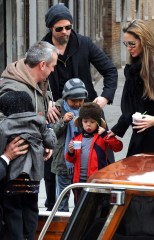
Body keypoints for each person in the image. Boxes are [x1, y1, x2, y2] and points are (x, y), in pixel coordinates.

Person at [107, 19, 154, 237]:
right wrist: (117, 130)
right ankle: (137, 230)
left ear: (144, 40)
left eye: (132, 44)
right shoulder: (133, 66)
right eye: (126, 45)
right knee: (136, 184)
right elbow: (131, 106)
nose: (129, 49)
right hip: (141, 133)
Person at [42, 3, 118, 209]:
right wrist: (46, 101)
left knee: (100, 159)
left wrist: (104, 98)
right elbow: (33, 80)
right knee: (54, 165)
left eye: (68, 27)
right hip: (57, 115)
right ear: (51, 28)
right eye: (59, 28)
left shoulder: (84, 44)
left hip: (88, 114)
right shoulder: (42, 49)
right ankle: (55, 208)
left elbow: (110, 70)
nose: (65, 32)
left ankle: (99, 207)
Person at [0, 91, 57, 240]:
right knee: (31, 208)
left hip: (12, 178)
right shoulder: (39, 121)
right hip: (33, 179)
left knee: (13, 210)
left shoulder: (4, 125)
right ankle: (29, 236)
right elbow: (51, 143)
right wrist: (49, 129)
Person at [0, 40, 59, 160]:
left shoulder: (38, 82)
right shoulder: (15, 90)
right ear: (42, 65)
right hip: (18, 169)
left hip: (32, 161)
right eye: (52, 66)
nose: (53, 70)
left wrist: (44, 141)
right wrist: (6, 157)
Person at [66, 102, 123, 203]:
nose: (88, 124)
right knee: (79, 208)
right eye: (85, 121)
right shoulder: (76, 138)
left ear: (98, 123)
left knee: (96, 207)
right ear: (81, 122)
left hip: (97, 181)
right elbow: (70, 159)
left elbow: (118, 147)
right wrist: (70, 152)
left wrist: (105, 134)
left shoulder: (102, 137)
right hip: (79, 182)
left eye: (92, 122)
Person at [51, 78, 88, 212]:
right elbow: (51, 133)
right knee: (62, 196)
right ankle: (62, 224)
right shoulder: (57, 109)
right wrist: (63, 121)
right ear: (66, 98)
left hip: (81, 162)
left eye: (81, 100)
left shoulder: (86, 110)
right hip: (63, 161)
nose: (78, 104)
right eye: (74, 100)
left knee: (81, 197)